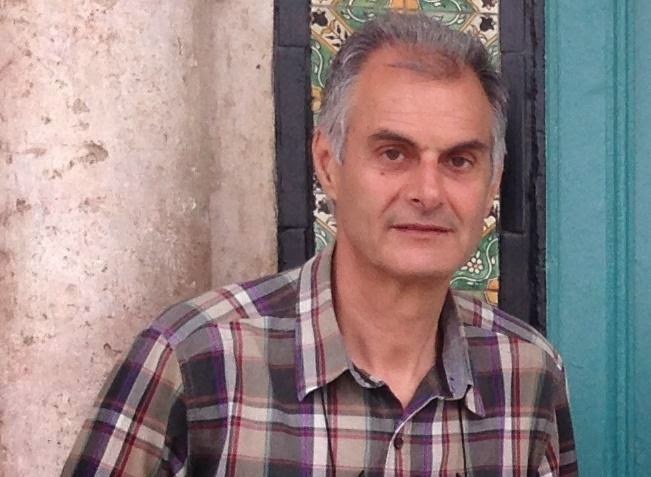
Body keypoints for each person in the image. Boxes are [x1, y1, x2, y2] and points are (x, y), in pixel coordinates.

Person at [64, 12, 577, 476]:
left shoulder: (526, 375)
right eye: (393, 154)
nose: (428, 192)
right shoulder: (196, 361)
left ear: (493, 183)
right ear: (329, 165)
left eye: (459, 161)